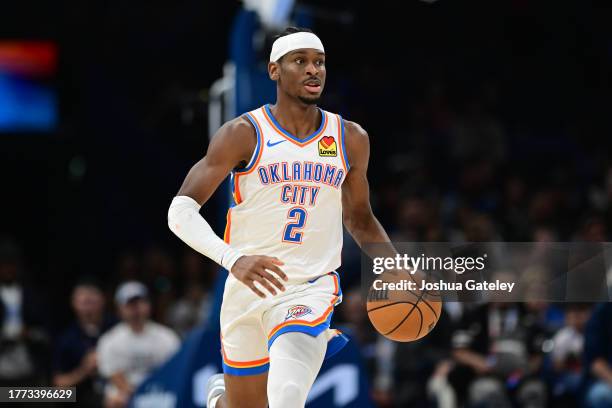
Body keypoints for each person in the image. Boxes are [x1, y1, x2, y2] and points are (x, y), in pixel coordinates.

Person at [168, 26, 395, 408]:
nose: (313, 70)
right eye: (300, 61)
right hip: (246, 289)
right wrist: (232, 258)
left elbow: (359, 217)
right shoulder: (243, 133)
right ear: (274, 70)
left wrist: (395, 265)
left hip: (309, 287)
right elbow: (180, 211)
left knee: (287, 397)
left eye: (319, 62)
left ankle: (313, 333)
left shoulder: (349, 138)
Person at [96, 281, 180, 408]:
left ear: (148, 305)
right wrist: (137, 395)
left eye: (141, 302)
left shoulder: (167, 337)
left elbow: (174, 369)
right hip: (126, 393)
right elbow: (114, 376)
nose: (136, 308)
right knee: (114, 400)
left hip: (160, 390)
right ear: (120, 308)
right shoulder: (109, 340)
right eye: (130, 304)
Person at [53, 280, 115, 407]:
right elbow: (58, 388)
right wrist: (84, 370)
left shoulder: (117, 329)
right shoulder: (67, 339)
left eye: (92, 302)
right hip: (82, 398)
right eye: (84, 303)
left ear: (103, 301)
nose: (88, 308)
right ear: (74, 304)